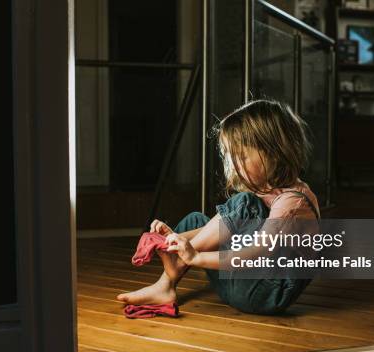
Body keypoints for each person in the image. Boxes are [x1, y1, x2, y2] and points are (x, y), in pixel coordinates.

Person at [117, 99, 320, 315]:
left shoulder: (293, 202)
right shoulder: (265, 189)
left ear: (274, 153)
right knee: (196, 220)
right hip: (244, 281)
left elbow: (259, 254)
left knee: (245, 203)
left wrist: (195, 257)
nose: (235, 164)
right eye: (232, 157)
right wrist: (174, 239)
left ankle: (176, 265)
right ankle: (164, 286)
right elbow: (215, 233)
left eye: (242, 156)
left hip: (267, 291)